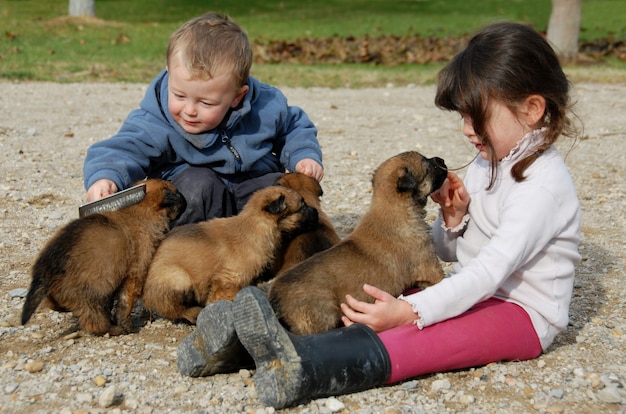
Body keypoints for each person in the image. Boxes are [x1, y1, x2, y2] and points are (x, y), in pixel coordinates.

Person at [178, 21, 583, 409]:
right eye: (461, 117)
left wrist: (410, 310)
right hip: (477, 294)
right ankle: (240, 345)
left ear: (531, 110)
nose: (464, 130)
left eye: (474, 118)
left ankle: (306, 366)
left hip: (522, 316)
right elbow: (443, 251)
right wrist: (456, 221)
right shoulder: (489, 160)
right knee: (371, 302)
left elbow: (488, 272)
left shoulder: (542, 189)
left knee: (418, 334)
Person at [83, 12, 323, 225]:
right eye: (179, 95)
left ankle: (274, 252)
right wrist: (105, 177)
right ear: (169, 72)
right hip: (196, 202)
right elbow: (125, 148)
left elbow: (294, 126)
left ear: (237, 97)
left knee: (290, 191)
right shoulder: (156, 119)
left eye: (205, 103)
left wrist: (304, 156)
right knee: (199, 184)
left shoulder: (268, 105)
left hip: (249, 189)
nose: (189, 110)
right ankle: (189, 254)